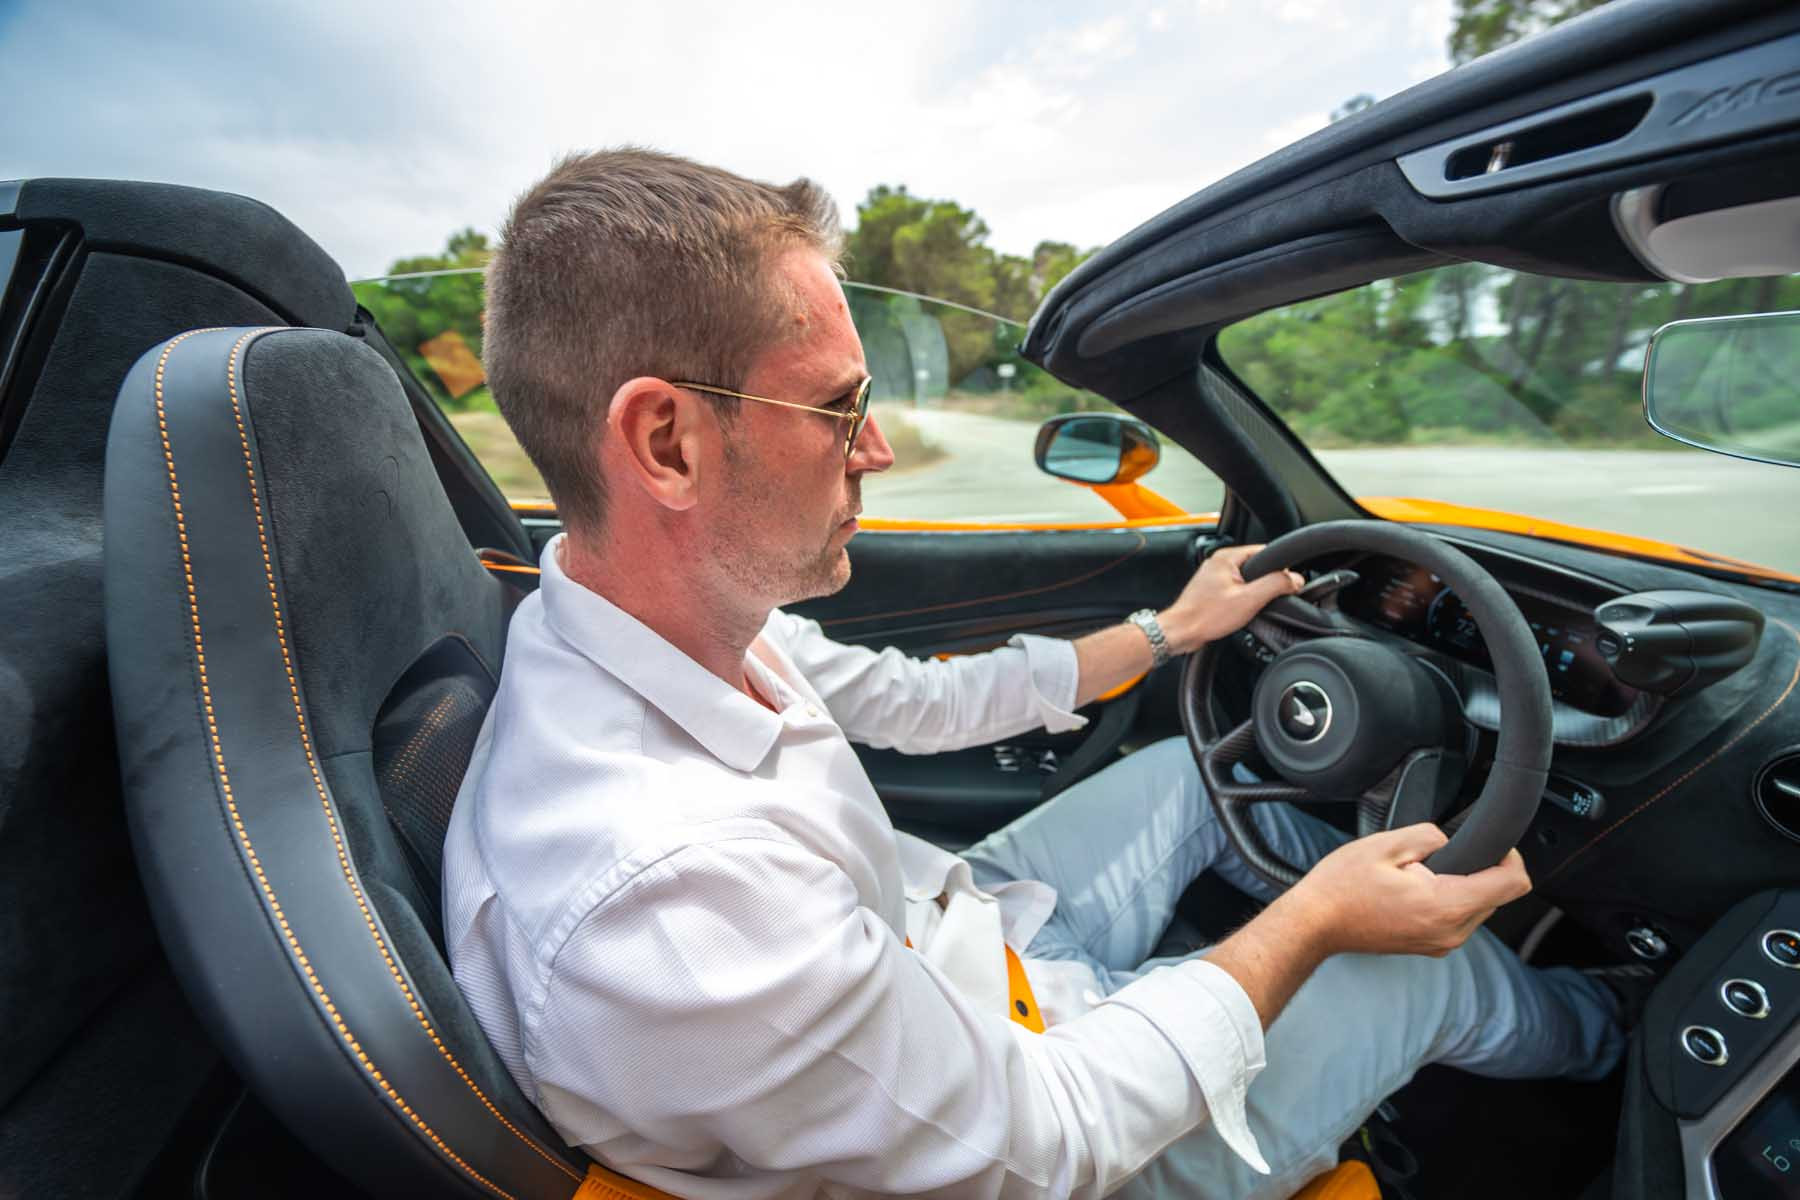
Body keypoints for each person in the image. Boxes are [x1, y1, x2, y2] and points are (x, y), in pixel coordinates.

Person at [442, 148, 1623, 1200]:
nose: (882, 450)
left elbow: (926, 702)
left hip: (957, 948)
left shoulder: (651, 620)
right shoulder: (673, 899)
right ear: (668, 444)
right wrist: (1319, 923)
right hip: (1050, 1119)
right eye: (839, 406)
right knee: (1416, 981)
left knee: (1191, 779)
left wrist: (1172, 629)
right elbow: (1051, 1140)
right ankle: (1615, 1042)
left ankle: (1418, 908)